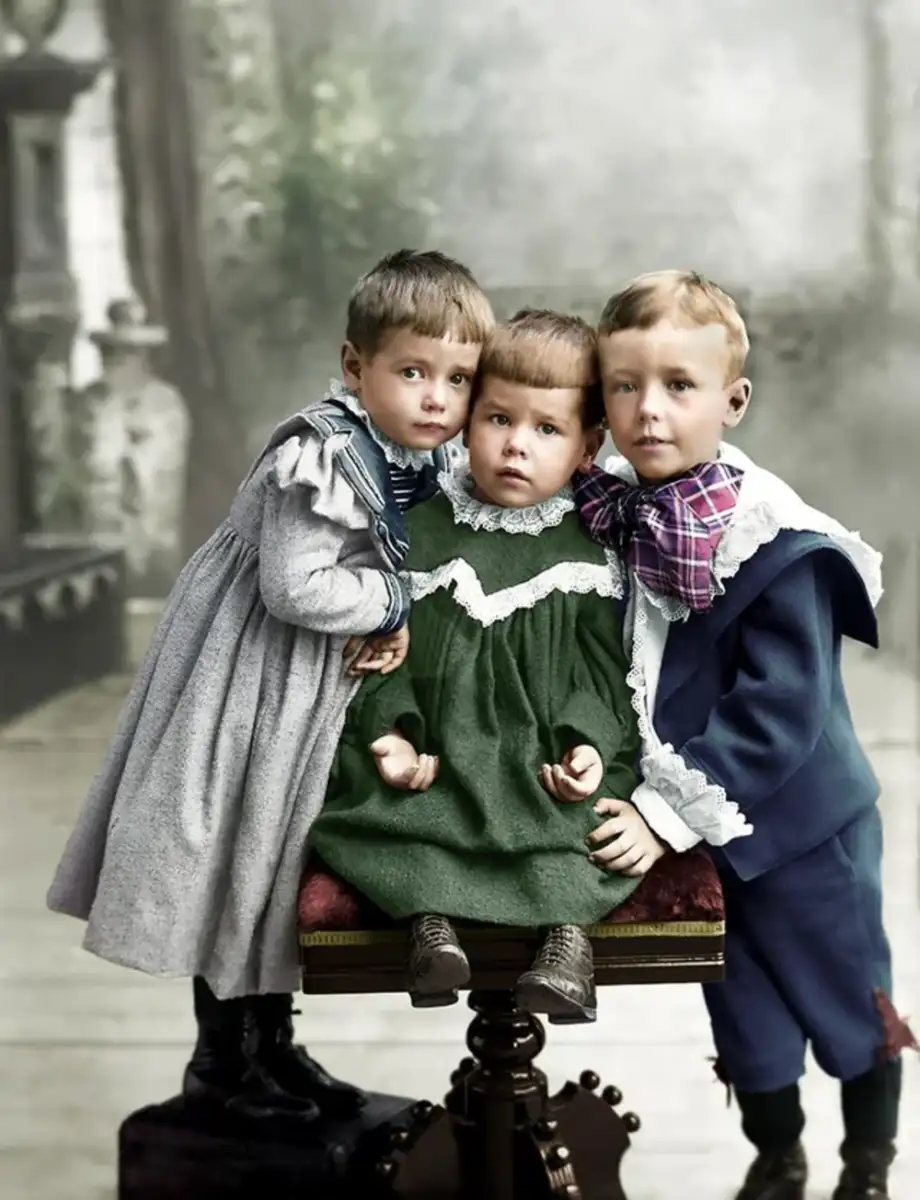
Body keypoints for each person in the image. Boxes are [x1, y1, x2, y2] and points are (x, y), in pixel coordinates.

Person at [46, 249, 494, 1122]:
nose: (437, 398)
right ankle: (223, 1064)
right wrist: (394, 598)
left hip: (305, 689)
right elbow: (297, 588)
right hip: (247, 683)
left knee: (274, 870)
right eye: (412, 371)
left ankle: (274, 1048)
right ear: (355, 367)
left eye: (458, 378)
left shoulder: (417, 455)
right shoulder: (321, 457)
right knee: (231, 860)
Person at [572, 269, 916, 1200]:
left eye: (679, 387)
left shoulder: (773, 541)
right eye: (625, 386)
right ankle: (777, 1157)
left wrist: (664, 811)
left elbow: (781, 713)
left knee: (846, 1001)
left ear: (732, 401)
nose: (650, 411)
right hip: (714, 840)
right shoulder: (612, 511)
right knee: (746, 1012)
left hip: (806, 827)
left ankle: (870, 1164)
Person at [309, 308, 664, 1025]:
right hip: (444, 745)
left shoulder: (591, 550)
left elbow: (603, 674)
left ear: (587, 447)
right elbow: (389, 649)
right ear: (469, 420)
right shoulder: (422, 528)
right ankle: (430, 930)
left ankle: (565, 947)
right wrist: (392, 734)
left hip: (539, 754)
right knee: (403, 812)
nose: (515, 447)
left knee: (577, 823)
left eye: (547, 430)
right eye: (498, 419)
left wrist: (588, 748)